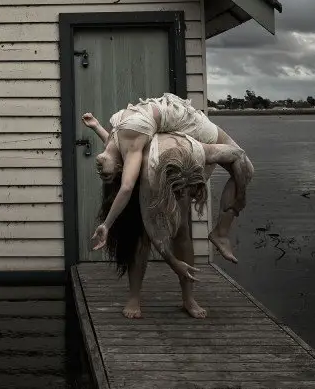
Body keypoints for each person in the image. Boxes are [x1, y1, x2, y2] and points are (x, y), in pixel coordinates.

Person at [82, 93, 253, 265]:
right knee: (246, 168)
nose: (100, 171)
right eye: (106, 174)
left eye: (103, 173)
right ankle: (221, 233)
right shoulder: (129, 141)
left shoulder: (116, 138)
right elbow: (126, 186)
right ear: (122, 165)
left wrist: (96, 126)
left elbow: (115, 155)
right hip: (191, 126)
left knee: (242, 169)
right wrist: (106, 225)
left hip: (186, 118)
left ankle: (220, 232)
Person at [93, 129, 246, 319]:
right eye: (178, 191)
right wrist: (173, 263)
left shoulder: (201, 151)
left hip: (179, 160)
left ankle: (188, 298)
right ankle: (134, 297)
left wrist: (240, 197)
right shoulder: (148, 174)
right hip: (147, 173)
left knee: (182, 231)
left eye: (186, 191)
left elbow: (239, 155)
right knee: (142, 236)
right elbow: (153, 230)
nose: (181, 195)